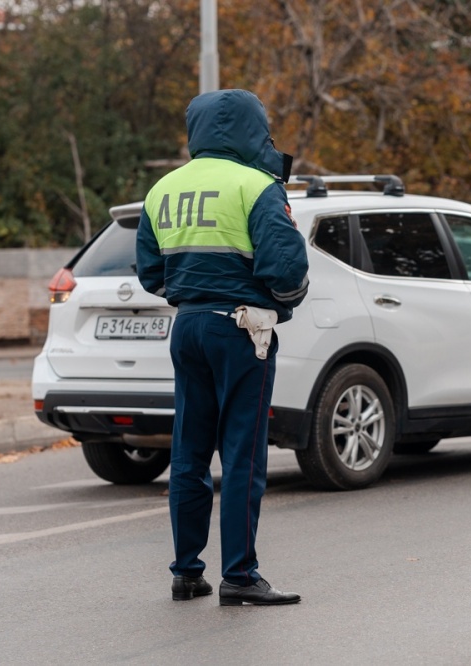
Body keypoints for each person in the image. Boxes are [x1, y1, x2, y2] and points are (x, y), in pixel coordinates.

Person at [136, 89, 309, 606]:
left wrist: (192, 293)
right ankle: (240, 575)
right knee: (241, 455)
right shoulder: (257, 185)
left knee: (189, 453)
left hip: (187, 328)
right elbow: (286, 270)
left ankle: (187, 573)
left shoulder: (163, 189)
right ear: (253, 128)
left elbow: (150, 274)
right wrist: (280, 302)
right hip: (240, 330)